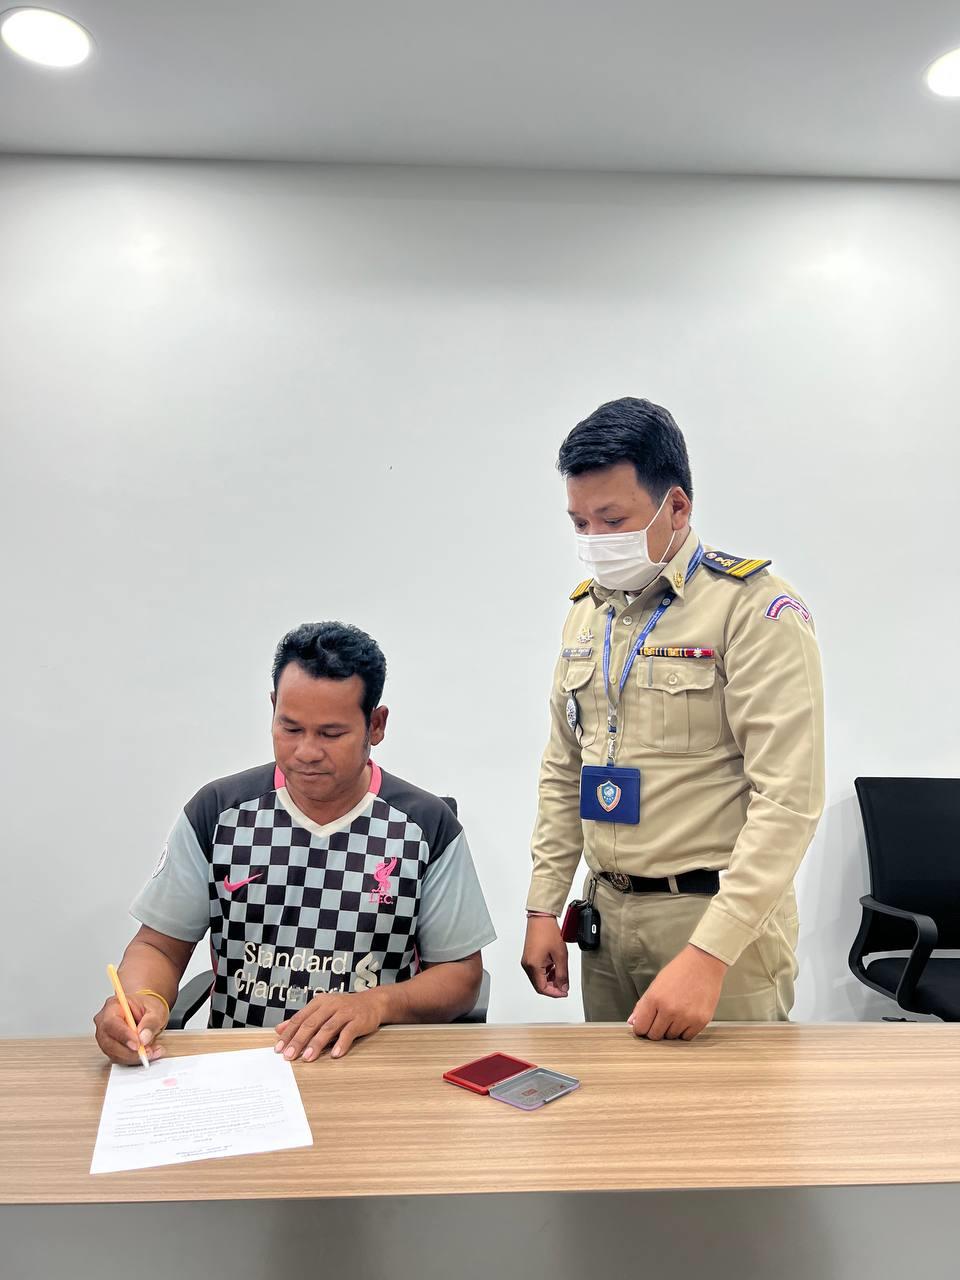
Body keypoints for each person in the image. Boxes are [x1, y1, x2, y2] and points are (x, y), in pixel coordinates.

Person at [521, 397, 824, 1041]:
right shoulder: (588, 613)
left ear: (677, 507)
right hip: (606, 918)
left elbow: (788, 800)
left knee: (733, 1105)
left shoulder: (752, 610)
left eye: (613, 520)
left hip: (713, 920)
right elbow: (563, 770)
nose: (594, 541)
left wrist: (710, 952)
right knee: (618, 1104)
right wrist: (543, 903)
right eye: (579, 522)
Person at [94, 622, 495, 1064]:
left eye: (331, 734)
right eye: (290, 728)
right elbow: (158, 946)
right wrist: (141, 1000)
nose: (306, 751)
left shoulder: (424, 825)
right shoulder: (219, 812)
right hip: (240, 1064)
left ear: (376, 725)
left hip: (369, 1066)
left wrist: (377, 1004)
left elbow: (461, 975)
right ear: (273, 709)